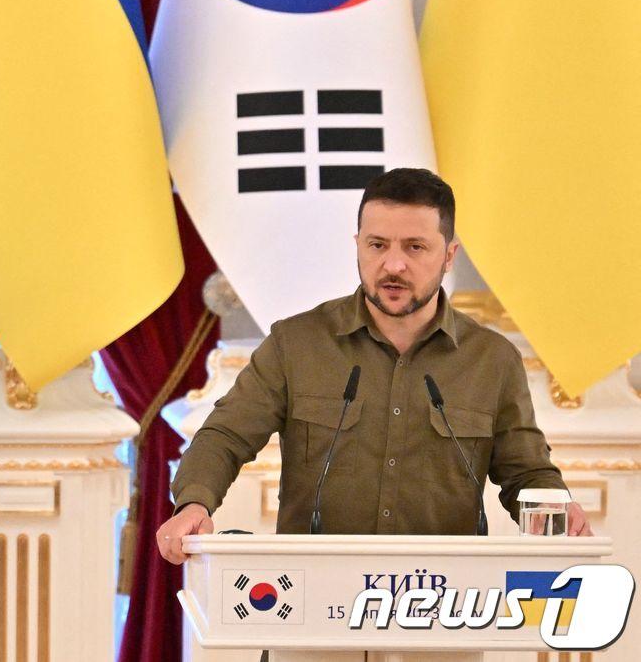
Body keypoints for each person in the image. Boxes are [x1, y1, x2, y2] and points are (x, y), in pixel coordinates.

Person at [157, 168, 589, 566]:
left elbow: (526, 472)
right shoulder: (297, 343)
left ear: (449, 254)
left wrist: (558, 508)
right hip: (314, 606)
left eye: (415, 247)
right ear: (358, 245)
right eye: (378, 245)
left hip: (439, 612)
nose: (393, 265)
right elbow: (226, 434)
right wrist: (194, 502)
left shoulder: (492, 360)